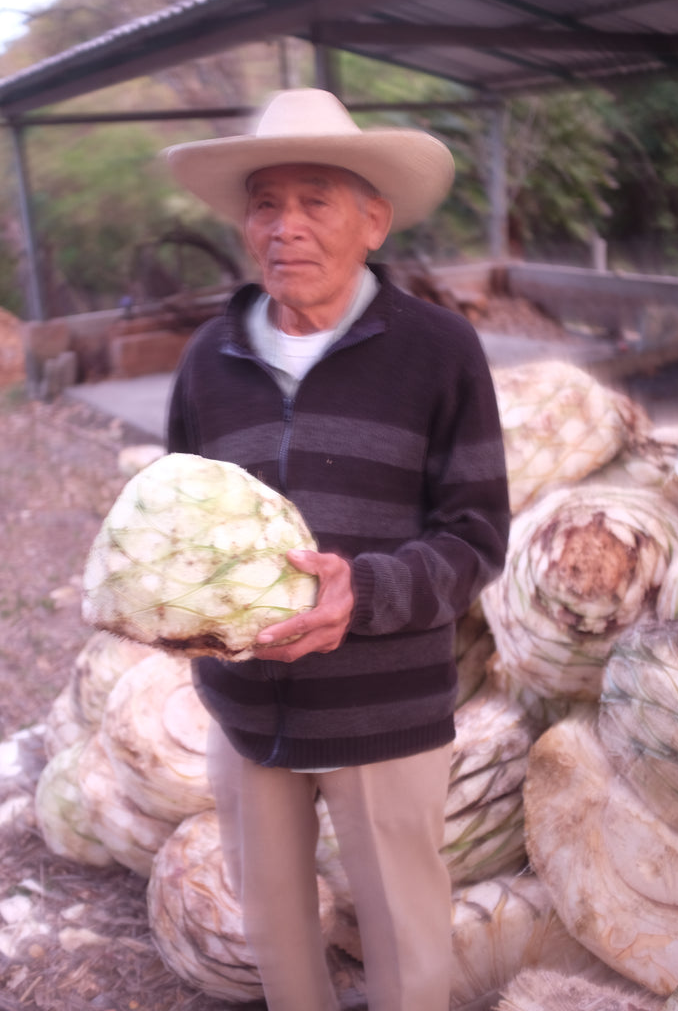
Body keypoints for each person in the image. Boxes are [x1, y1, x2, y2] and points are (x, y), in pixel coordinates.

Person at [164, 88, 510, 1011]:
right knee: (277, 940)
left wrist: (365, 593)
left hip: (382, 710)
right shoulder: (208, 359)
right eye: (265, 203)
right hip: (245, 714)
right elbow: (179, 524)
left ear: (373, 220)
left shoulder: (437, 350)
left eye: (315, 200)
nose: (286, 226)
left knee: (407, 942)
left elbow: (476, 536)